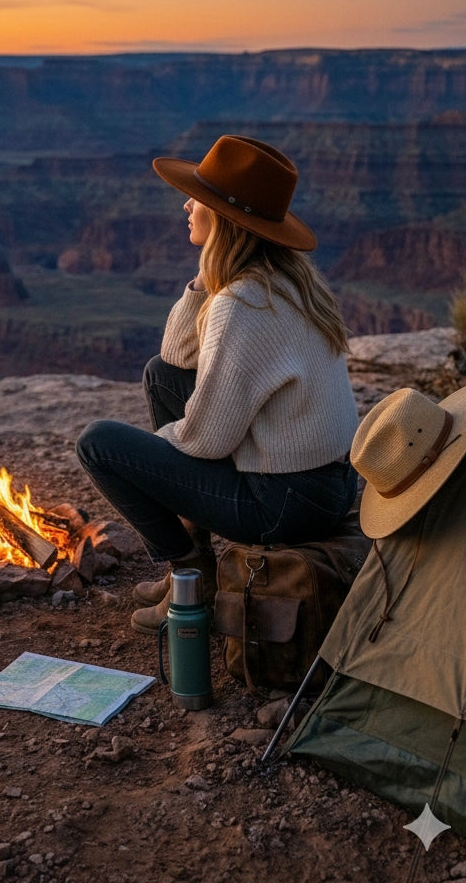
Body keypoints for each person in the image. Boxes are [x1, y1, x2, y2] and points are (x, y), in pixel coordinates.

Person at [76, 133, 359, 634]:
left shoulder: (242, 306)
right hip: (330, 486)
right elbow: (174, 356)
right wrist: (209, 274)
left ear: (224, 218)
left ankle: (188, 571)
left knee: (101, 445)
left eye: (198, 199)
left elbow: (207, 440)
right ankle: (196, 564)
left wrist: (150, 461)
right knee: (160, 378)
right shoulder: (286, 280)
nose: (186, 204)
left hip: (285, 505)